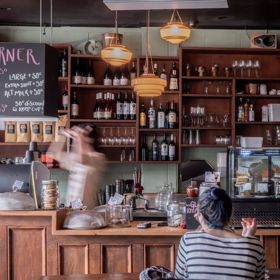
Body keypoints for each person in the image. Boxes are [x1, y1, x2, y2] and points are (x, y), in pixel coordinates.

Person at [175, 186, 265, 280]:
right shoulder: (255, 246)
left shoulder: (188, 240)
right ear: (231, 212)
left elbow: (179, 277)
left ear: (199, 214)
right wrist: (249, 239)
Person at [48, 125, 105, 209]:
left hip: (86, 210)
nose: (75, 141)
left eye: (78, 139)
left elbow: (83, 160)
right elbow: (52, 154)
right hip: (71, 208)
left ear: (90, 140)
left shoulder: (98, 157)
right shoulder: (75, 157)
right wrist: (62, 135)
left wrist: (79, 136)